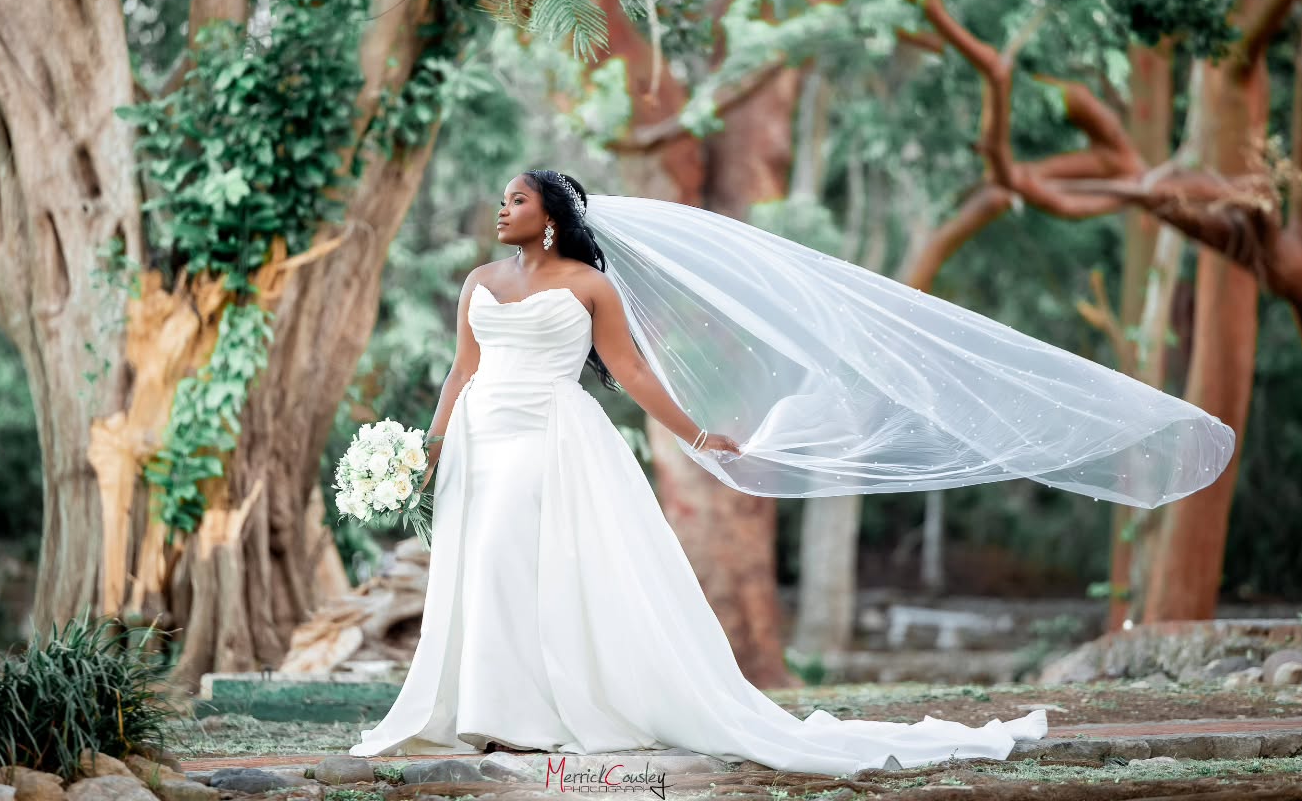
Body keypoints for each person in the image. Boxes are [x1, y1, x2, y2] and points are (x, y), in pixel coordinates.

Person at [346, 169, 1056, 777]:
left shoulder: (590, 286)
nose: (502, 210)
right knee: (482, 568)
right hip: (481, 438)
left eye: (517, 200)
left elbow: (629, 371)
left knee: (519, 560)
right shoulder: (479, 281)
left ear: (552, 219)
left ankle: (520, 715)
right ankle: (488, 711)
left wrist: (697, 434)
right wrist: (428, 450)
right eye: (503, 201)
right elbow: (462, 370)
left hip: (549, 437)